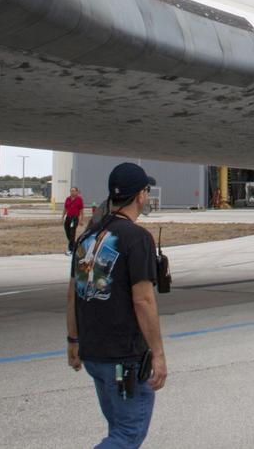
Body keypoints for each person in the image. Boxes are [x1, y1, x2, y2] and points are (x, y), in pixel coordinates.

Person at [67, 162, 169, 448]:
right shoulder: (137, 239)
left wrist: (72, 340)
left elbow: (73, 292)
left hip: (94, 354)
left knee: (117, 429)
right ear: (139, 195)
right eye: (146, 191)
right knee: (127, 435)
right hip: (124, 358)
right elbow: (143, 299)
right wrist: (158, 354)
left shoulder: (87, 237)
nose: (147, 197)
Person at [63, 186, 84, 255]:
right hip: (68, 217)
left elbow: (81, 211)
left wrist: (81, 220)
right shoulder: (68, 199)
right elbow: (65, 208)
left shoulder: (79, 199)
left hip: (74, 218)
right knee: (67, 232)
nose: (72, 192)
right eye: (71, 191)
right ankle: (75, 246)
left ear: (77, 192)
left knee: (72, 233)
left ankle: (70, 249)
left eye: (74, 191)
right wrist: (62, 216)